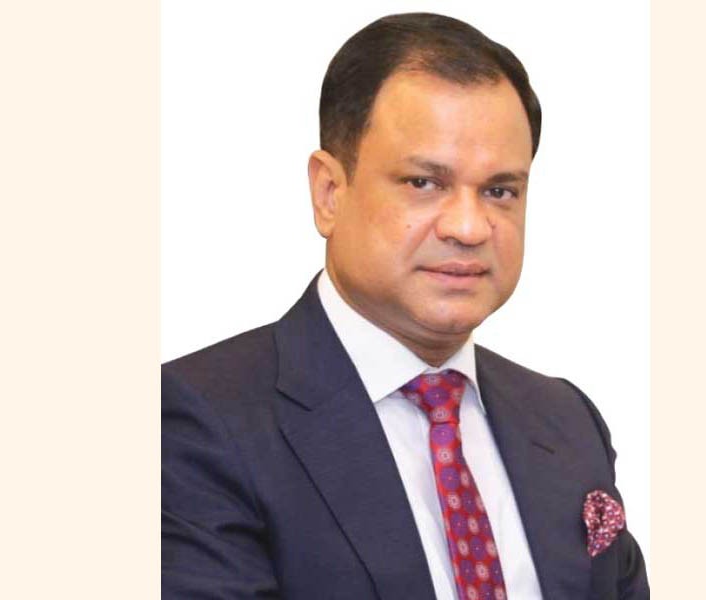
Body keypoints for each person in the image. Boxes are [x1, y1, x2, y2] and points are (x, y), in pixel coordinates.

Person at [162, 12, 649, 599]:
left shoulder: (566, 421)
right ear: (329, 192)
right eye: (424, 183)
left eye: (499, 191)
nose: (469, 227)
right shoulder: (197, 422)